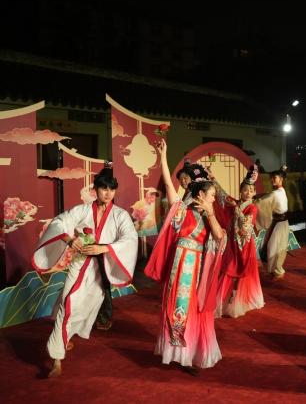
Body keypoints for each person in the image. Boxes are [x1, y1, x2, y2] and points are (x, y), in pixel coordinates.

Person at [33, 164, 138, 378]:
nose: (108, 193)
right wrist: (70, 239)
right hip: (80, 263)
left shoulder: (120, 215)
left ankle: (66, 336)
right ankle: (57, 359)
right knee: (67, 304)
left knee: (85, 308)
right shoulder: (82, 210)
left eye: (112, 189)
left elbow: (130, 238)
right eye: (104, 188)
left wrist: (104, 248)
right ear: (95, 189)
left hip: (102, 268)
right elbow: (59, 222)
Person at [145, 139, 226, 375]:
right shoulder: (182, 210)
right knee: (179, 307)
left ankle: (190, 353)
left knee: (196, 309)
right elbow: (169, 187)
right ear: (200, 194)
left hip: (198, 268)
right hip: (180, 268)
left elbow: (220, 237)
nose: (213, 199)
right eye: (211, 195)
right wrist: (163, 158)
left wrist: (210, 214)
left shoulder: (210, 216)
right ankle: (180, 354)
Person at [211, 165, 264, 318]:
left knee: (241, 273)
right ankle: (224, 301)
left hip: (245, 245)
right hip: (232, 244)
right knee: (228, 269)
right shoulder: (235, 203)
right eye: (245, 190)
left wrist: (236, 209)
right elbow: (222, 195)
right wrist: (213, 179)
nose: (248, 193)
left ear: (254, 193)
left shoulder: (252, 208)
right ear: (240, 191)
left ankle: (239, 302)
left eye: (251, 190)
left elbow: (246, 225)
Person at [255, 166, 290, 280]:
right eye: (271, 178)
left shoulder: (275, 193)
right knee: (276, 247)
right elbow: (268, 196)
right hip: (281, 222)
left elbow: (261, 202)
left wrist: (251, 201)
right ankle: (276, 270)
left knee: (274, 247)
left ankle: (278, 271)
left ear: (281, 179)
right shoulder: (281, 191)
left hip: (279, 224)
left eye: (274, 178)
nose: (272, 180)